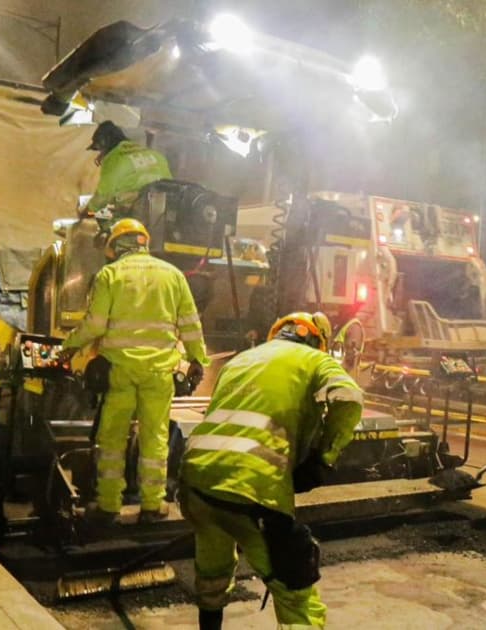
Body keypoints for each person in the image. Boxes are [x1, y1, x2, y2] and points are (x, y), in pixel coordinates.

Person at [180, 311, 363, 630]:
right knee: (296, 595)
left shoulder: (240, 361)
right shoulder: (314, 360)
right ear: (316, 340)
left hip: (196, 483)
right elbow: (349, 398)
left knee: (212, 573)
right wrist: (322, 458)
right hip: (254, 490)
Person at [61, 218, 207, 524]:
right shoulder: (173, 276)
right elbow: (191, 324)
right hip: (159, 373)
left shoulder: (110, 275)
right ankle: (153, 505)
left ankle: (108, 505)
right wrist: (197, 361)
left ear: (117, 246)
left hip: (120, 371)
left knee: (113, 439)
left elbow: (96, 324)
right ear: (144, 242)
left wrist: (69, 346)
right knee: (155, 439)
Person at [85, 120, 173, 216]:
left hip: (136, 220)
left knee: (103, 217)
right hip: (163, 216)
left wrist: (86, 211)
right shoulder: (158, 157)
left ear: (104, 144)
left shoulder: (115, 160)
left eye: (100, 150)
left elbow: (102, 197)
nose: (100, 155)